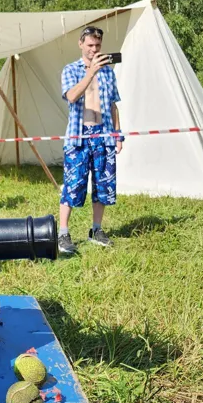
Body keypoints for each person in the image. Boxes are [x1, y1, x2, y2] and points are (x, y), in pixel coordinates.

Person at [58, 26, 123, 253]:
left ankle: (96, 229)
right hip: (79, 135)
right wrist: (90, 72)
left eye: (97, 45)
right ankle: (63, 233)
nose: (94, 49)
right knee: (73, 185)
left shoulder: (108, 72)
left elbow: (113, 105)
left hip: (103, 134)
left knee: (103, 185)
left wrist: (118, 135)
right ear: (80, 44)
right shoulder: (70, 69)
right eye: (90, 45)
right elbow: (72, 96)